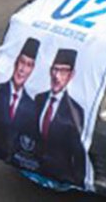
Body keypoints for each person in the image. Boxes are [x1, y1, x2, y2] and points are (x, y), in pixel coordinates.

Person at [34, 49, 85, 186]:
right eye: (55, 70)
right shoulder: (39, 99)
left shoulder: (75, 110)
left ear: (71, 75)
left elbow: (78, 154)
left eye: (63, 71)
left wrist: (78, 181)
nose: (57, 76)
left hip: (62, 176)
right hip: (34, 168)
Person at [0, 38, 40, 162]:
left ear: (32, 69)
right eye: (22, 62)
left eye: (29, 65)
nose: (22, 69)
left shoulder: (32, 106)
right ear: (16, 62)